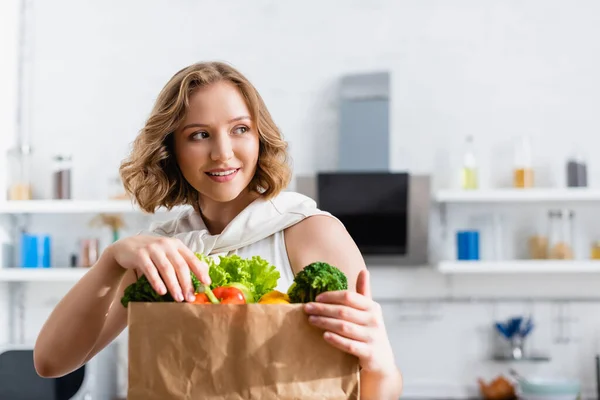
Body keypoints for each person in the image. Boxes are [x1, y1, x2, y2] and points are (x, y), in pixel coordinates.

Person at [33, 61, 403, 399]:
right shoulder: (163, 253)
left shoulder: (308, 231)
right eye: (199, 135)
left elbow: (375, 383)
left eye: (240, 129)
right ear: (171, 148)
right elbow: (52, 362)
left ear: (260, 138)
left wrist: (380, 361)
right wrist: (112, 261)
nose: (222, 153)